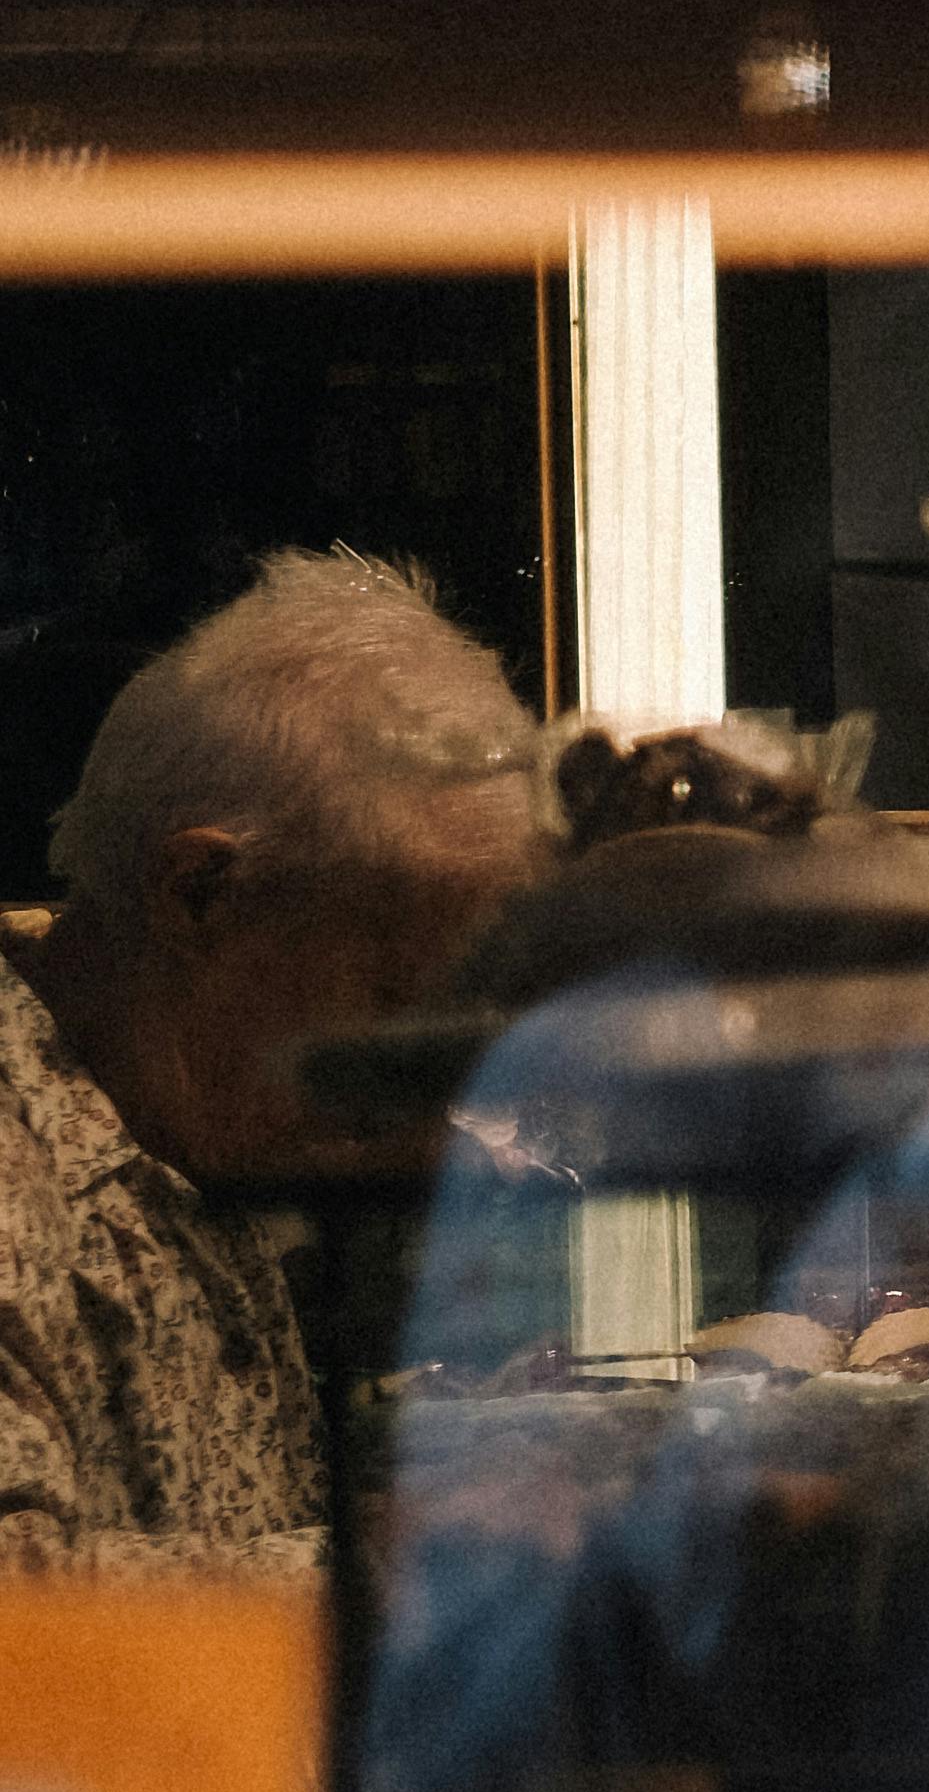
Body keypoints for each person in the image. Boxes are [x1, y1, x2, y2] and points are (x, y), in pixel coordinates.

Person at [2, 554, 538, 1573]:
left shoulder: (195, 1128)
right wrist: (420, 1570)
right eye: (396, 1001)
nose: (438, 1102)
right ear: (200, 890)